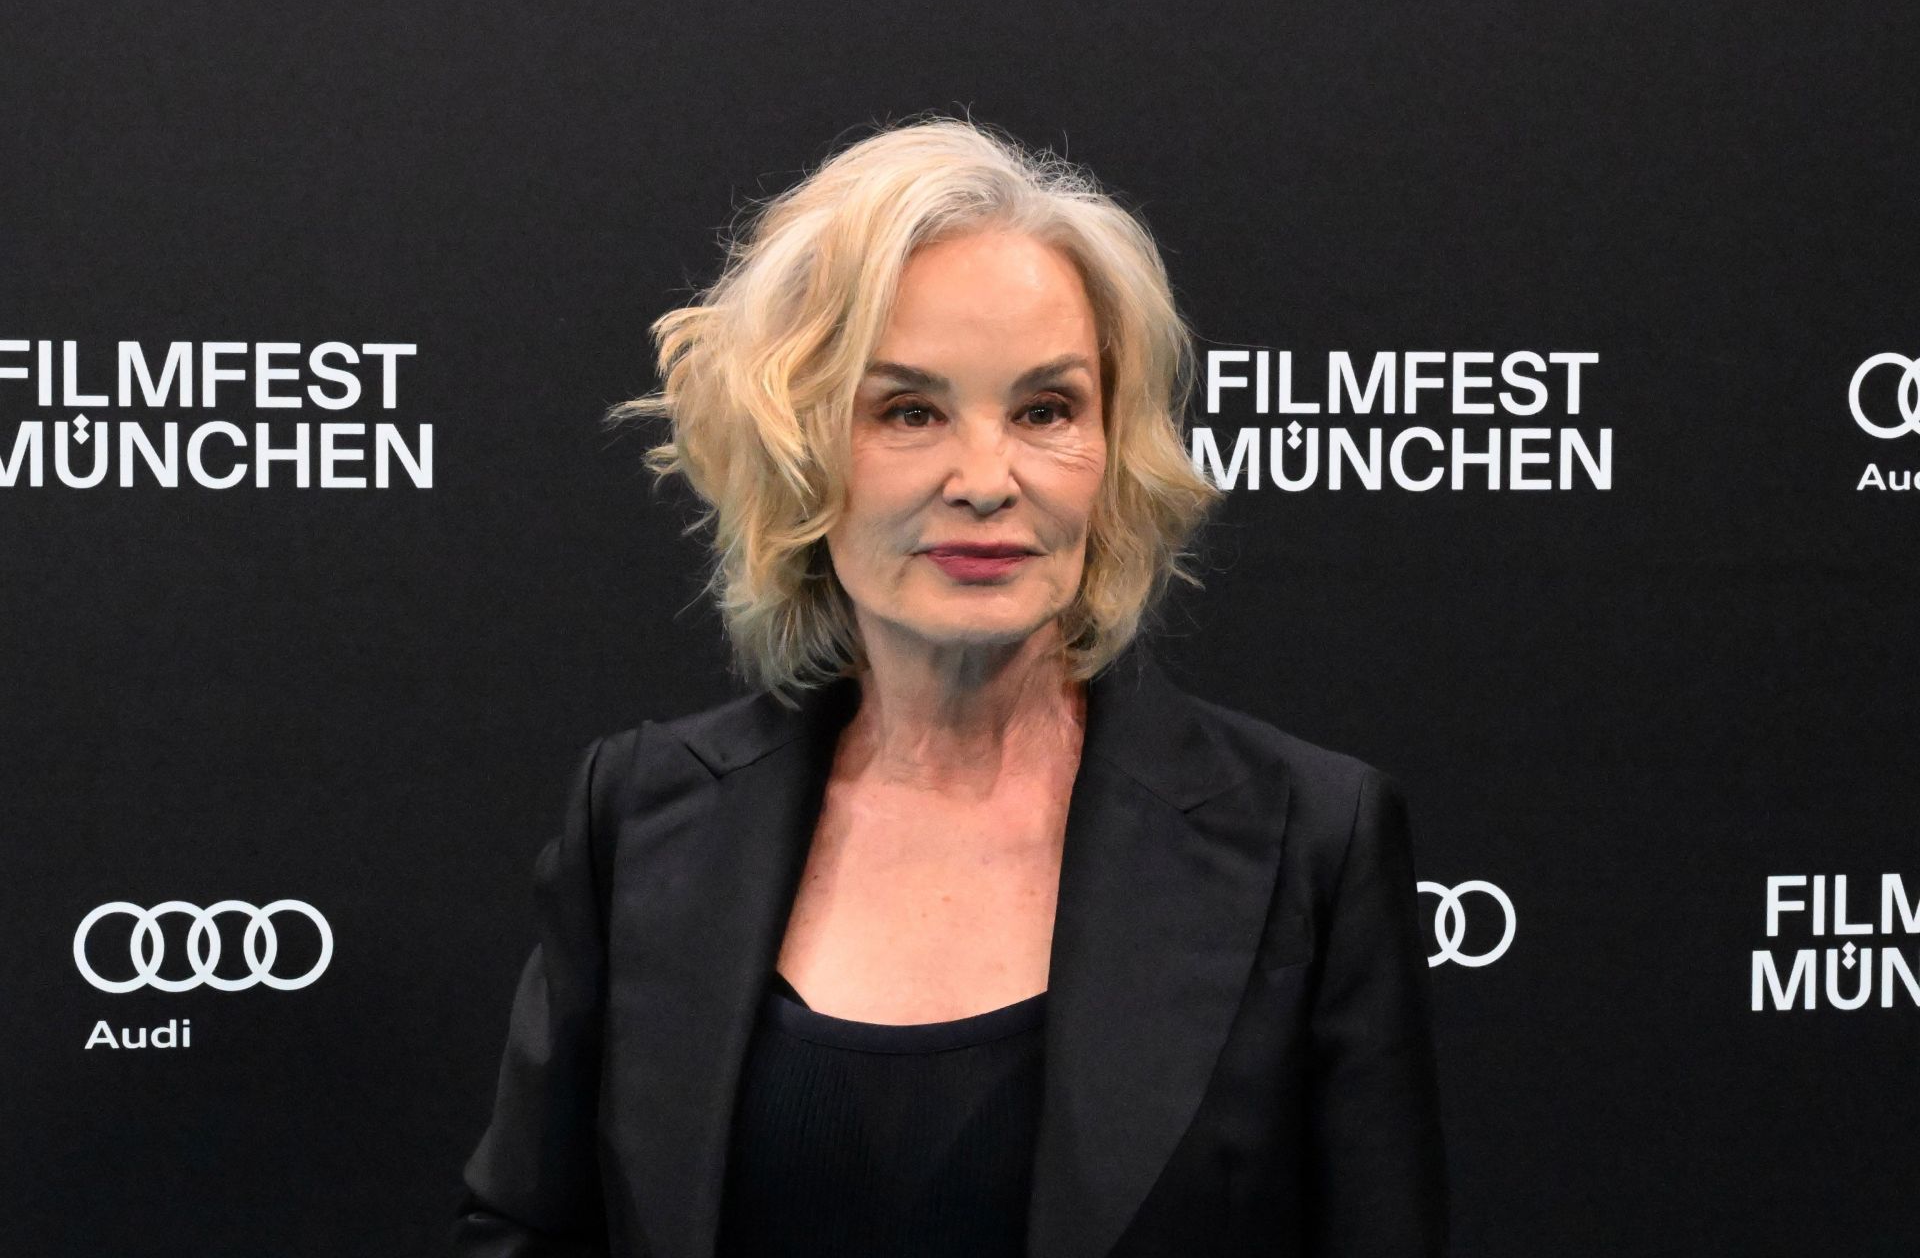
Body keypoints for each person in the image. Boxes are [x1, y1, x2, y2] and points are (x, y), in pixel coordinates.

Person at [453, 114, 1447, 1257]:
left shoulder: (1308, 840)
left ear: (1114, 450)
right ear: (801, 451)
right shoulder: (637, 817)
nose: (986, 479)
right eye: (909, 410)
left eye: (1046, 409)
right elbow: (524, 1227)